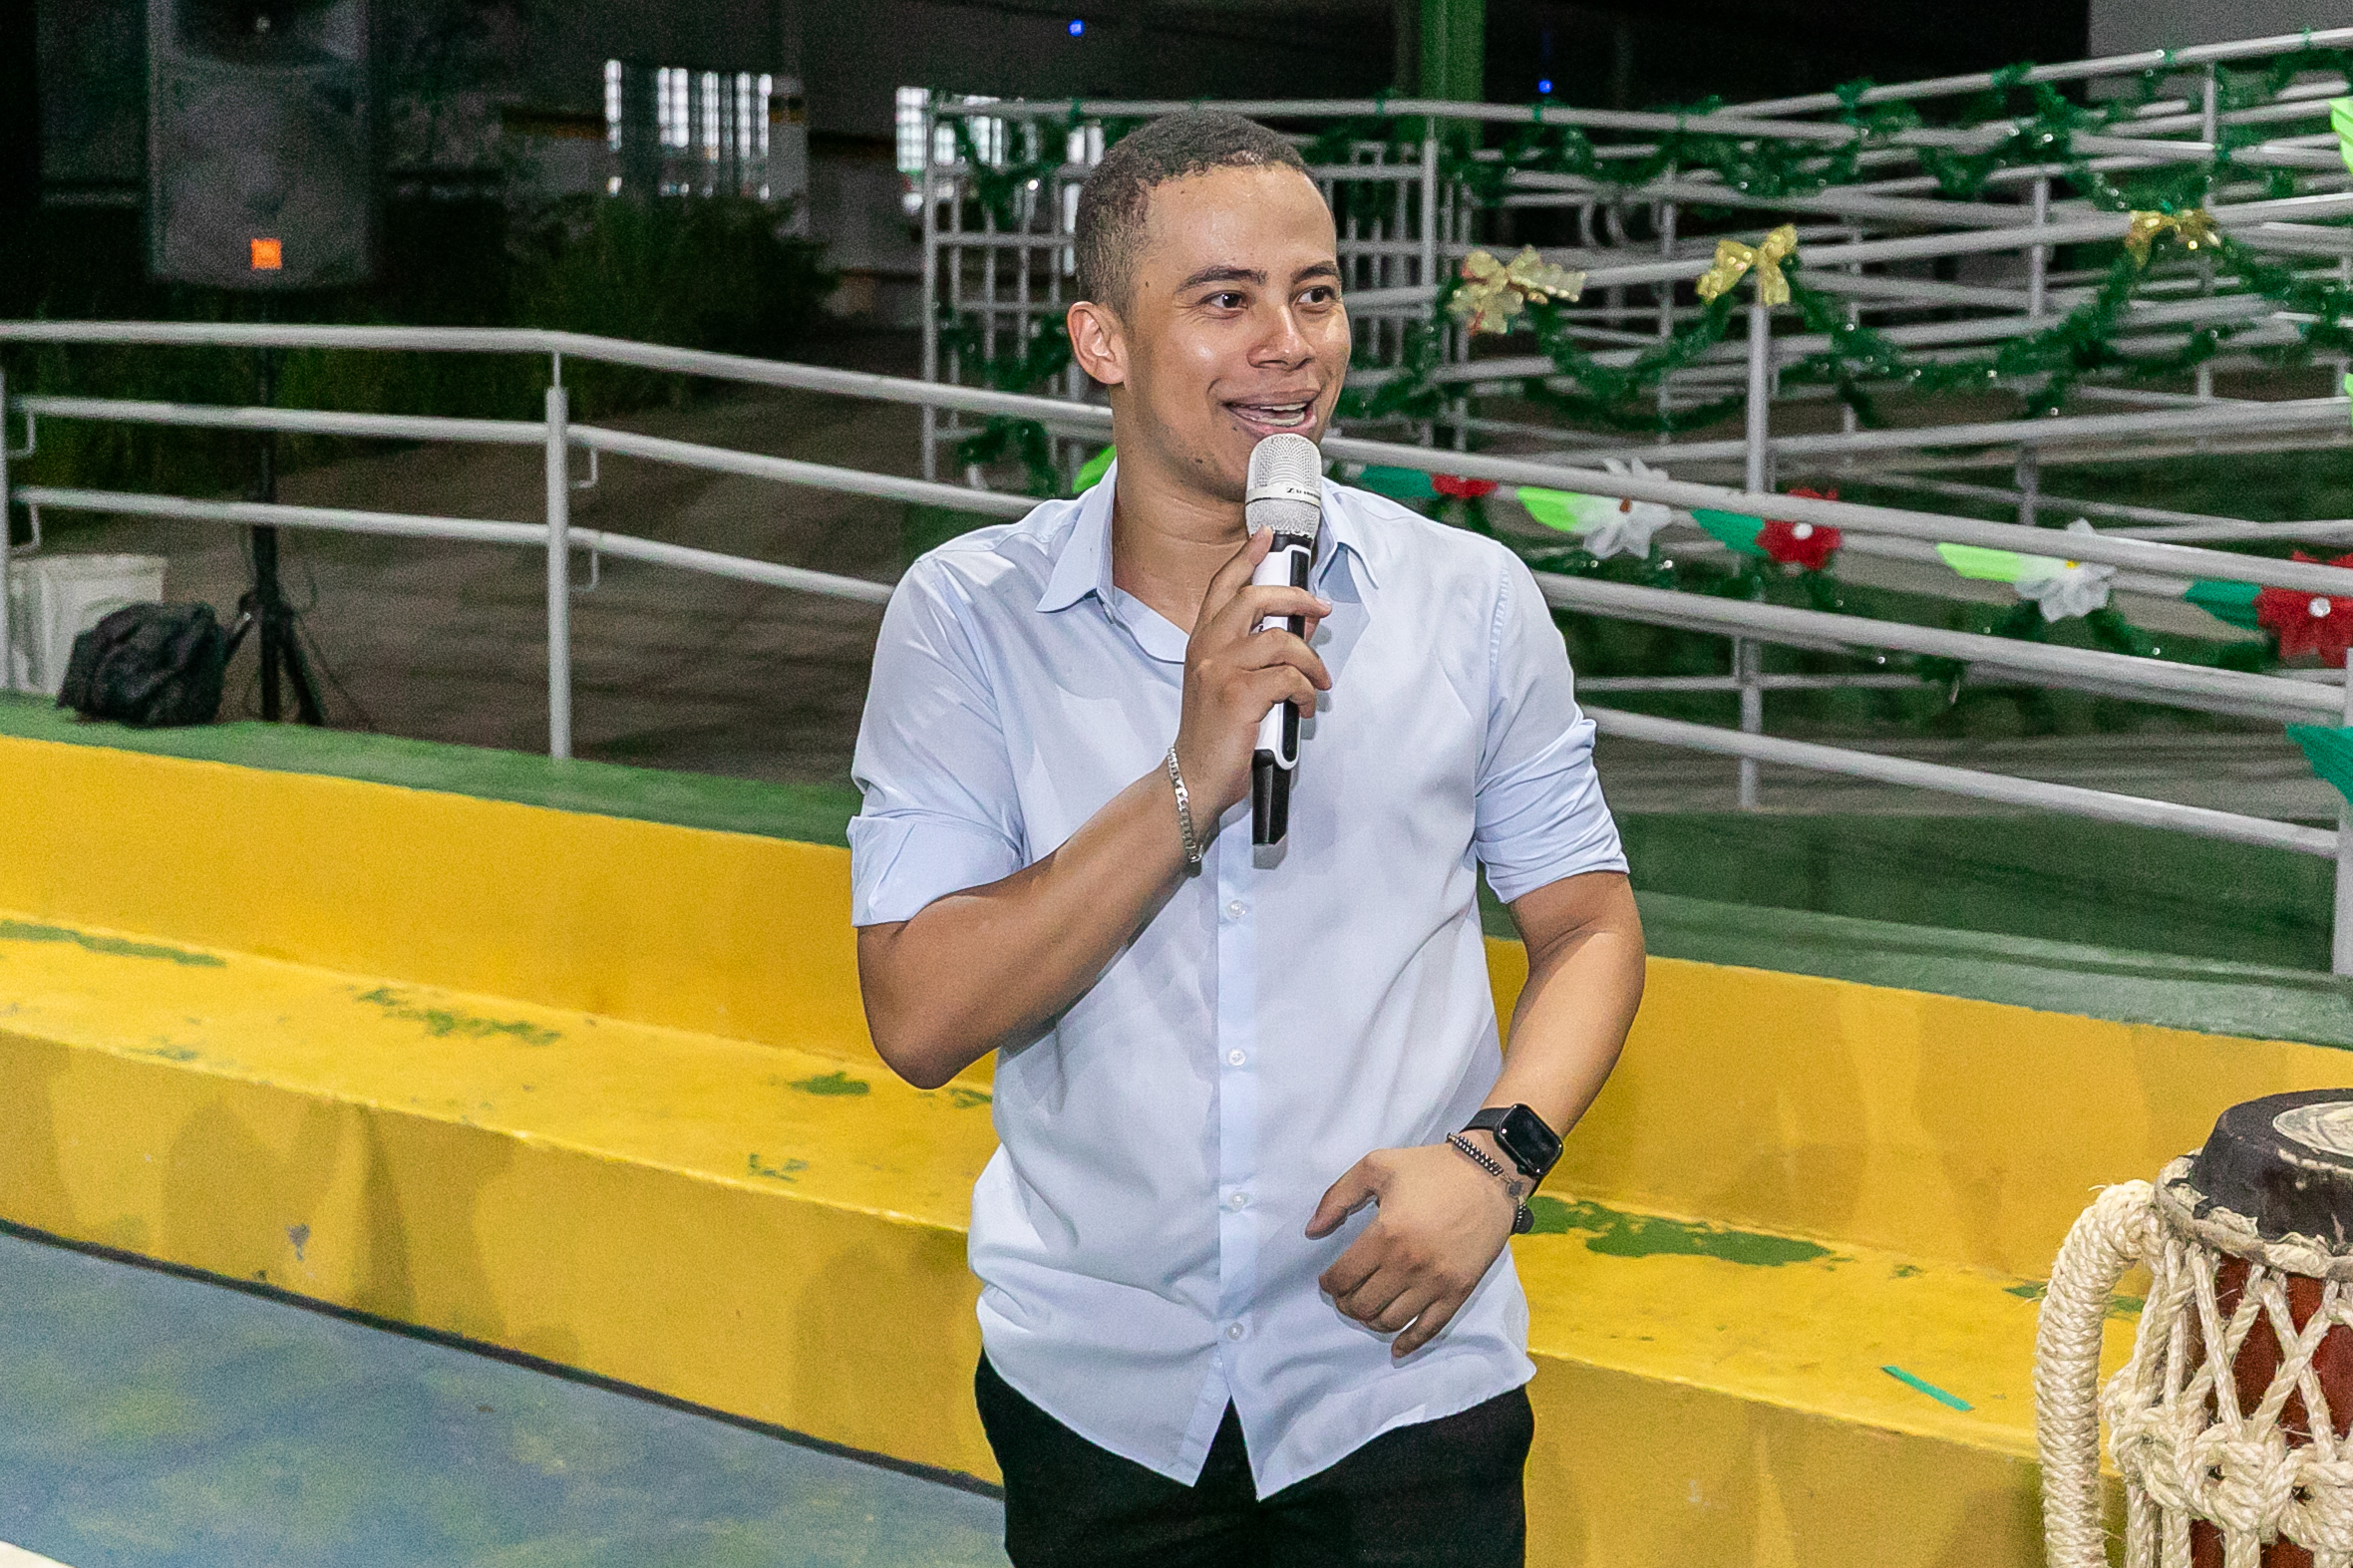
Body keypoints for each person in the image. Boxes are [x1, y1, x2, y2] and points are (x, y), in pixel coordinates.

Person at [850, 110, 1645, 1567]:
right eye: (1226, 300)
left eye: (1316, 293)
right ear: (1102, 339)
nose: (1290, 345)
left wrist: (1498, 1161)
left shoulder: (1471, 603)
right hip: (1101, 1398)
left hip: (1401, 1382)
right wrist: (1187, 781)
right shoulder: (968, 620)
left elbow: (1589, 925)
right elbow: (916, 1012)